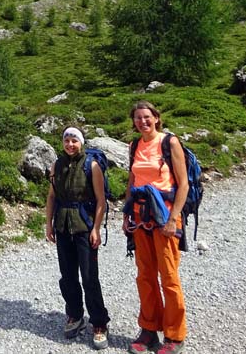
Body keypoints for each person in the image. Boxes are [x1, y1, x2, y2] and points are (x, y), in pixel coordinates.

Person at [123, 101, 188, 354]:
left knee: (169, 277)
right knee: (145, 277)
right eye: (138, 118)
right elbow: (132, 181)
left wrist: (174, 219)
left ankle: (175, 335)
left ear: (156, 118)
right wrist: (126, 214)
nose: (143, 122)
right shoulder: (134, 146)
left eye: (147, 117)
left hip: (165, 219)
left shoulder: (169, 143)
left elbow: (183, 185)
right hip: (140, 218)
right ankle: (149, 330)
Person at [46, 127, 110, 350]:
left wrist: (96, 229)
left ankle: (99, 323)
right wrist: (48, 224)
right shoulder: (56, 165)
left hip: (84, 225)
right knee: (67, 275)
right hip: (63, 225)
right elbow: (52, 196)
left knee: (90, 277)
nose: (70, 144)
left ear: (81, 142)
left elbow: (101, 201)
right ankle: (74, 315)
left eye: (74, 140)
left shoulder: (91, 166)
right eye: (67, 140)